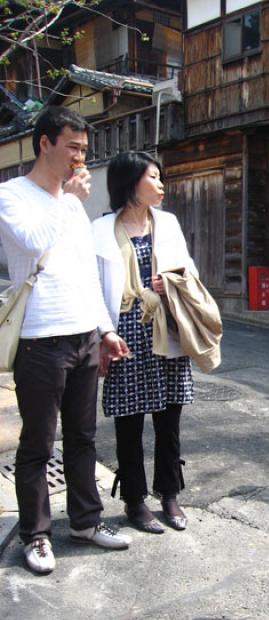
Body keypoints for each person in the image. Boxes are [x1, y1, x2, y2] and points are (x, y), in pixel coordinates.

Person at [0, 106, 131, 575]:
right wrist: (66, 200)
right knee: (38, 442)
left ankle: (85, 522)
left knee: (82, 437)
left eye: (83, 149)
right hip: (39, 339)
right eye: (73, 147)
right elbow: (32, 243)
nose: (80, 157)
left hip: (82, 334)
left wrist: (106, 330)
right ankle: (36, 535)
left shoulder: (72, 204)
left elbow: (85, 274)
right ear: (45, 144)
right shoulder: (11, 195)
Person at [92, 151, 197, 534]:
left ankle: (170, 495)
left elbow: (190, 271)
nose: (161, 185)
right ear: (131, 183)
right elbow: (91, 288)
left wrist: (170, 282)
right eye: (153, 177)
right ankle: (135, 501)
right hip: (124, 336)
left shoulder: (167, 224)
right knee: (129, 423)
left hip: (165, 329)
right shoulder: (100, 230)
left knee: (169, 421)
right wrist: (104, 334)